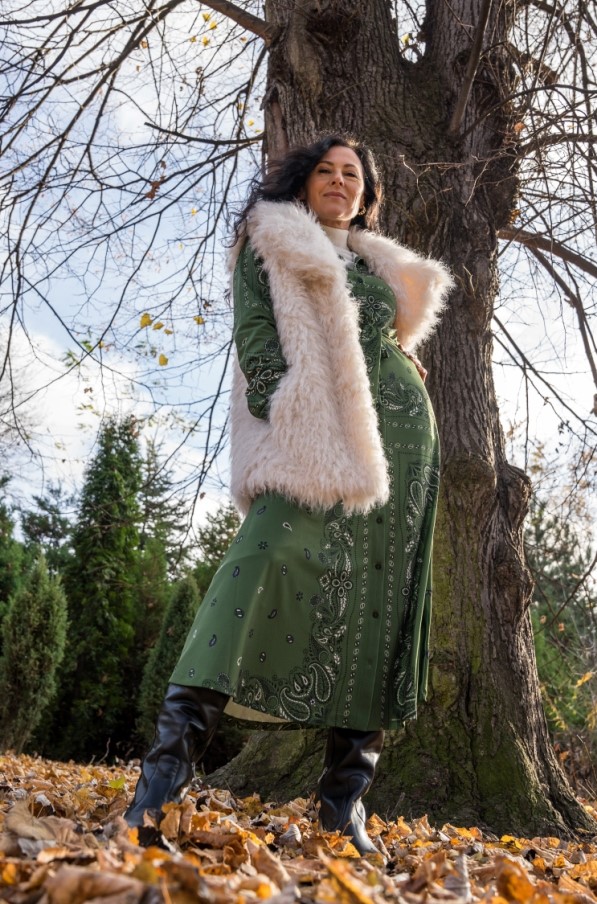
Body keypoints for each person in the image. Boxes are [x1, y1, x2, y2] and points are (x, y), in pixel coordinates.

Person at [125, 134, 453, 854]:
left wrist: (399, 360)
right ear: (303, 183)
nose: (339, 181)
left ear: (365, 195)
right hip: (312, 438)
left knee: (376, 607)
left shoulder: (376, 264)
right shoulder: (269, 240)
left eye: (352, 174)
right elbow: (256, 338)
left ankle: (342, 807)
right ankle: (156, 794)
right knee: (256, 567)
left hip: (402, 447)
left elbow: (373, 338)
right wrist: (292, 415)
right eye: (326, 171)